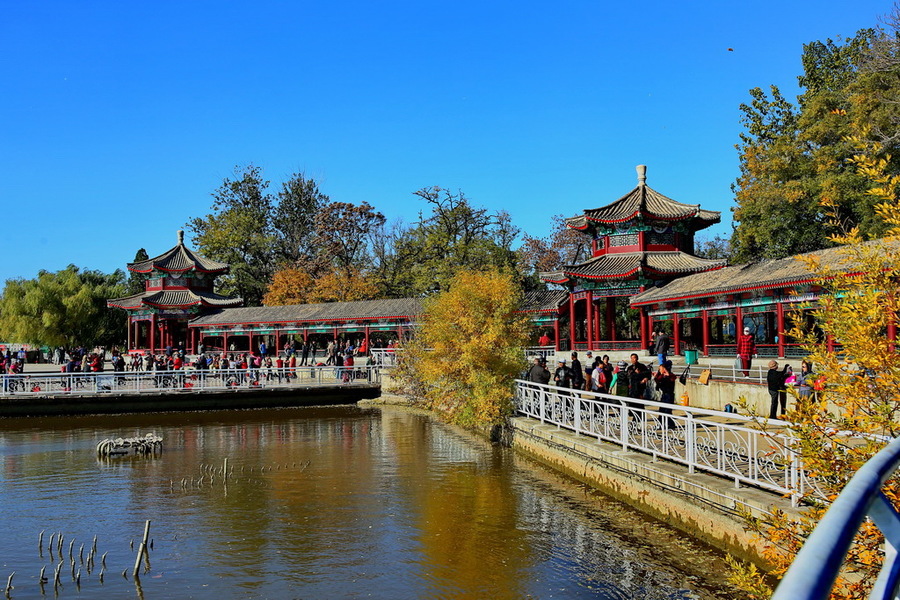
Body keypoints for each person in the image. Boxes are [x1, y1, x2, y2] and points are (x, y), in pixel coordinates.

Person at [654, 360, 678, 428]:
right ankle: (661, 423)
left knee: (667, 411)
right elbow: (658, 382)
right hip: (664, 394)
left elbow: (672, 379)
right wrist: (657, 376)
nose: (660, 369)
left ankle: (670, 424)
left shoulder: (671, 375)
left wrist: (667, 375)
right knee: (661, 410)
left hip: (669, 395)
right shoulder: (661, 376)